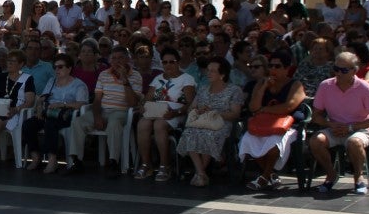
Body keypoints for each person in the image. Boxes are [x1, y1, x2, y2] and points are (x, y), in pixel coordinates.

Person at [308, 51, 369, 195]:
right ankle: (331, 174)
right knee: (315, 141)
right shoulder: (325, 86)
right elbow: (316, 116)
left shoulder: (364, 87)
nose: (339, 73)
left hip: (358, 128)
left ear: (354, 70)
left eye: (344, 70)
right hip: (335, 128)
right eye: (336, 69)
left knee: (354, 142)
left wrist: (352, 127)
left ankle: (358, 177)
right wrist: (330, 125)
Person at [68, 45, 143, 176]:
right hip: (103, 110)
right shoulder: (104, 74)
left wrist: (125, 80)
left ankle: (113, 162)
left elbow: (133, 103)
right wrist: (97, 116)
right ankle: (77, 161)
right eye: (113, 58)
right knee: (77, 122)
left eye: (120, 58)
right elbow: (97, 100)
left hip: (122, 111)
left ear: (127, 60)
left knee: (114, 122)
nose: (117, 61)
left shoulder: (135, 75)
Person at [239, 49, 307, 190]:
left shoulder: (296, 85)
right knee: (248, 140)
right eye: (271, 66)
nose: (273, 69)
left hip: (288, 126)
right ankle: (270, 175)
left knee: (274, 143)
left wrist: (263, 109)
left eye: (277, 66)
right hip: (264, 124)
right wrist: (263, 88)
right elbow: (253, 107)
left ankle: (264, 178)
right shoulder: (261, 83)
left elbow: (288, 107)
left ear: (287, 68)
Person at [177, 57, 244, 186]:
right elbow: (192, 107)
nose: (208, 73)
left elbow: (235, 114)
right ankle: (201, 173)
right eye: (208, 70)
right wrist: (199, 110)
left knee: (209, 135)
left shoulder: (234, 90)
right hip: (202, 121)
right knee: (189, 133)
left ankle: (199, 174)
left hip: (221, 123)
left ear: (222, 74)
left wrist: (215, 113)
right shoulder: (203, 89)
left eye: (213, 71)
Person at [133, 47, 196, 181]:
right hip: (156, 111)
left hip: (175, 114)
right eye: (165, 62)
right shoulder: (157, 79)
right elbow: (147, 98)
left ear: (177, 62)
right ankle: (146, 164)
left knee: (159, 125)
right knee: (142, 124)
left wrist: (176, 112)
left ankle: (165, 165)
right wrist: (143, 106)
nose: (168, 65)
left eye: (171, 62)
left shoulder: (187, 79)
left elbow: (190, 103)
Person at [21, 53, 88, 173]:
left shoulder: (79, 85)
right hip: (49, 112)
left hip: (66, 115)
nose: (57, 69)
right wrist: (40, 106)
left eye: (60, 67)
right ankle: (36, 156)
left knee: (50, 124)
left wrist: (63, 104)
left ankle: (52, 159)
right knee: (28, 124)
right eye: (55, 67)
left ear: (69, 68)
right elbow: (43, 97)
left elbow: (81, 104)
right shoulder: (52, 81)